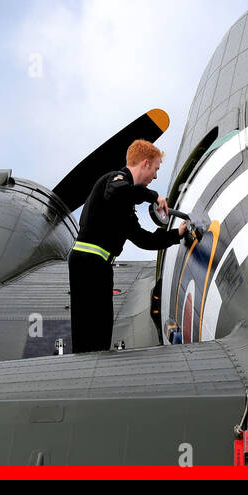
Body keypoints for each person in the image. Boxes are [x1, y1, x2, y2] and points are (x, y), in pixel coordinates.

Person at [68, 139, 187, 353]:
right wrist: (153, 196)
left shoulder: (123, 205)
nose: (156, 176)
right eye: (156, 169)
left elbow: (144, 239)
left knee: (100, 332)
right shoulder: (115, 181)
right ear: (145, 164)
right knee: (91, 331)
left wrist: (177, 234)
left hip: (98, 266)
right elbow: (119, 191)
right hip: (89, 264)